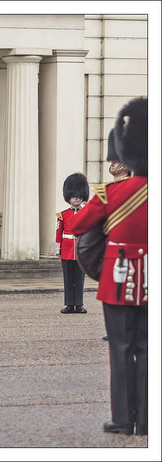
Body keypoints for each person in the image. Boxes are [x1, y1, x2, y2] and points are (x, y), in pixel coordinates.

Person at [70, 97, 147, 436]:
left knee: (121, 349)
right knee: (148, 349)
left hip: (117, 279)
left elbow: (77, 226)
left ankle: (123, 419)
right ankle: (146, 418)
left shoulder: (109, 194)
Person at [101, 129, 131, 341]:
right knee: (113, 293)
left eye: (116, 160)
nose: (112, 164)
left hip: (131, 250)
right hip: (111, 249)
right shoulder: (108, 189)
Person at [56, 173, 89, 314]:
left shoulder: (86, 213)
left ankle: (79, 304)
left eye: (78, 196)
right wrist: (59, 250)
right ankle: (69, 304)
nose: (75, 198)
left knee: (79, 278)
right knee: (68, 278)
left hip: (81, 250)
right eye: (73, 196)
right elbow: (59, 233)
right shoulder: (62, 215)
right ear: (69, 198)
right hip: (67, 250)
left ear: (82, 197)